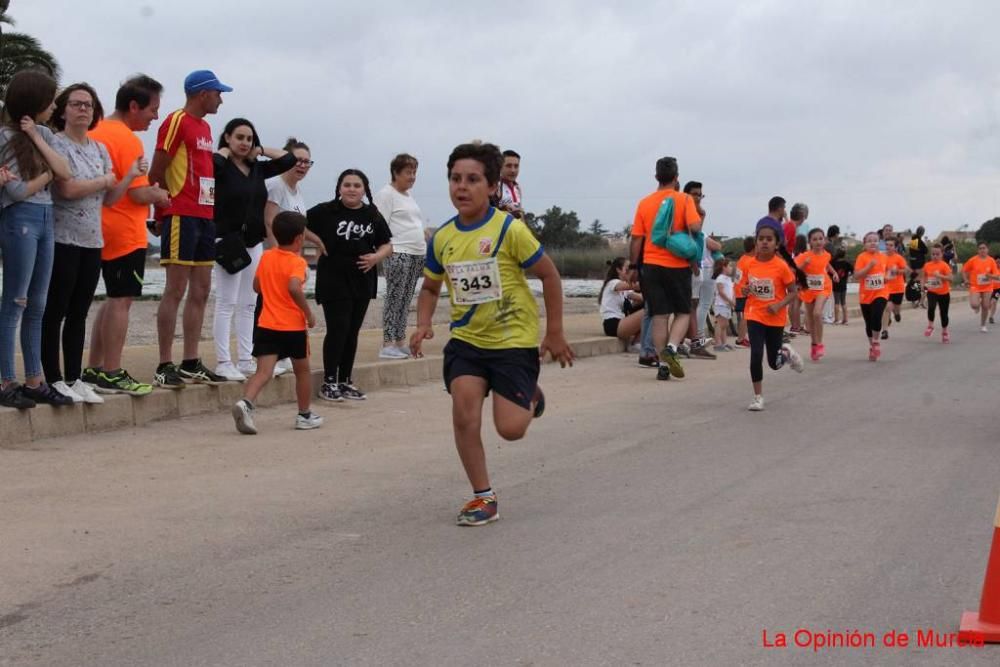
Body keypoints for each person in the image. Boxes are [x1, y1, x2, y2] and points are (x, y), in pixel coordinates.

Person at [410, 141, 573, 526]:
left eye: (472, 179)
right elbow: (431, 288)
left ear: (492, 187)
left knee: (511, 429)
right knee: (464, 413)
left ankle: (529, 395)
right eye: (455, 179)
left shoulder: (509, 230)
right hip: (468, 342)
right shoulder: (442, 238)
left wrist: (555, 332)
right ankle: (483, 497)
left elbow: (549, 275)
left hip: (513, 341)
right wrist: (422, 324)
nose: (461, 187)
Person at [42, 83, 142, 404]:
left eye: (88, 105)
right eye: (76, 104)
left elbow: (110, 198)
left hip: (92, 239)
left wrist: (126, 177)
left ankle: (75, 377)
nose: (83, 109)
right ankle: (54, 378)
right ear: (63, 110)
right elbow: (66, 190)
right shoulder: (56, 144)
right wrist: (102, 181)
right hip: (63, 238)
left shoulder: (98, 148)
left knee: (79, 312)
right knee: (56, 310)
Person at [84, 75, 167, 396]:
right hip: (124, 231)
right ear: (134, 106)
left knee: (110, 300)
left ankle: (95, 366)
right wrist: (160, 196)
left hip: (98, 229)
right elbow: (137, 194)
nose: (155, 116)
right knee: (122, 301)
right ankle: (112, 371)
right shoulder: (128, 140)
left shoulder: (96, 131)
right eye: (152, 109)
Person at [149, 70, 232, 388]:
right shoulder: (176, 120)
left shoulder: (206, 127)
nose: (221, 99)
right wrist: (160, 211)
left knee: (201, 290)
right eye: (217, 93)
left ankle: (190, 361)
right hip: (180, 214)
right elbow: (158, 168)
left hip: (204, 216)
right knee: (175, 289)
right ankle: (164, 363)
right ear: (202, 94)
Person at [0, 70, 74, 408]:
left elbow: (67, 171)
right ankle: (5, 380)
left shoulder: (42, 132)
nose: (55, 104)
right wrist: (47, 173)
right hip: (21, 219)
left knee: (38, 304)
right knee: (15, 301)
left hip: (45, 216)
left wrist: (38, 139)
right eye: (50, 98)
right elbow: (16, 191)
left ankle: (35, 379)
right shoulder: (4, 137)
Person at [210, 118, 295, 382]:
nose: (244, 143)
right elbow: (211, 166)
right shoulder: (221, 166)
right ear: (227, 138)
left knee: (249, 303)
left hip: (253, 242)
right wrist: (222, 152)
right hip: (227, 241)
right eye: (239, 137)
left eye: (249, 138)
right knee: (226, 302)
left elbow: (288, 160)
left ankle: (246, 359)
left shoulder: (257, 169)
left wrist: (261, 149)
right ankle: (224, 361)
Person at [231, 211, 322, 434]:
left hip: (267, 324)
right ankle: (304, 414)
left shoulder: (267, 256)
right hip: (292, 326)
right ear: (300, 238)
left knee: (263, 372)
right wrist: (308, 312)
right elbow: (293, 287)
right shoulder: (298, 263)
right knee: (302, 371)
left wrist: (272, 291)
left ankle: (246, 403)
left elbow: (256, 286)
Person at [307, 169, 393, 402]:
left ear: (364, 189)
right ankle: (329, 381)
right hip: (333, 277)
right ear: (339, 188)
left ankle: (345, 380)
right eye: (347, 185)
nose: (352, 189)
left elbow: (387, 244)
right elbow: (297, 224)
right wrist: (316, 241)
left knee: (353, 330)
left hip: (363, 278)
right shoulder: (325, 211)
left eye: (357, 185)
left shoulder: (372, 214)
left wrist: (376, 258)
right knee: (338, 328)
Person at [627, 156, 703, 381]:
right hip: (677, 265)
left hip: (651, 265)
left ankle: (662, 364)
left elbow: (636, 239)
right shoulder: (684, 200)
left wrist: (633, 265)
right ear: (677, 177)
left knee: (660, 315)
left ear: (656, 177)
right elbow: (694, 227)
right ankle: (671, 347)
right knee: (682, 312)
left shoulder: (645, 202)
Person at [263, 137, 324, 378]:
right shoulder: (276, 186)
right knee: (274, 308)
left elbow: (299, 226)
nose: (302, 166)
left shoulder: (297, 191)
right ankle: (269, 356)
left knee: (289, 308)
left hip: (293, 260)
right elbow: (270, 221)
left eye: (307, 162)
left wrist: (317, 240)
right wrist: (278, 255)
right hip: (279, 259)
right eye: (298, 160)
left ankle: (284, 353)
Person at [735, 218, 804, 412]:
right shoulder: (748, 264)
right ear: (756, 242)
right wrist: (746, 290)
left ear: (776, 244)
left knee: (773, 363)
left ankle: (786, 352)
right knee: (756, 354)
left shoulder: (781, 266)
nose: (765, 242)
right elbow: (743, 287)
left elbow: (793, 292)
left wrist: (779, 304)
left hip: (775, 317)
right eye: (761, 239)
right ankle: (758, 397)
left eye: (769, 239)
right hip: (755, 314)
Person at [374, 153, 426, 360]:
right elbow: (380, 225)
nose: (412, 176)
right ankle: (387, 344)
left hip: (416, 253)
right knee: (394, 298)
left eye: (414, 172)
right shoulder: (386, 194)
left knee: (405, 299)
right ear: (396, 173)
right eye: (408, 172)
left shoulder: (409, 196)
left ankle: (399, 341)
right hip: (398, 252)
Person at [683, 180, 721, 360]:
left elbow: (698, 236)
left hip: (696, 263)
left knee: (693, 304)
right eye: (694, 194)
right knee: (689, 304)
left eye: (700, 194)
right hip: (690, 263)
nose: (698, 197)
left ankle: (692, 341)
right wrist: (692, 263)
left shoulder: (698, 213)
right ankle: (693, 342)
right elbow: (691, 236)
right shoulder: (684, 211)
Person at [795, 228, 838, 361]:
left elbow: (826, 264)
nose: (818, 242)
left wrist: (834, 272)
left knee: (817, 313)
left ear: (824, 240)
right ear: (810, 242)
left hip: (823, 287)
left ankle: (819, 343)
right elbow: (794, 271)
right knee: (810, 317)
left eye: (821, 238)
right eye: (815, 239)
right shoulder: (804, 256)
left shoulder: (826, 254)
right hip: (808, 289)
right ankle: (814, 343)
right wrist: (804, 265)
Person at [853, 232, 890, 360]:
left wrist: (887, 277)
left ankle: (876, 341)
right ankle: (872, 346)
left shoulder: (884, 257)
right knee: (868, 323)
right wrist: (869, 267)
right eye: (869, 241)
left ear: (879, 243)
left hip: (881, 292)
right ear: (865, 243)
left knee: (877, 315)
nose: (873, 243)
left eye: (875, 240)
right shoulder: (861, 257)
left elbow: (889, 271)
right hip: (865, 295)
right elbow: (857, 276)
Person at [598, 257, 643, 343]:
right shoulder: (613, 283)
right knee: (649, 311)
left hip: (622, 322)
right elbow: (632, 286)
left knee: (652, 308)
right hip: (613, 324)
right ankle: (636, 344)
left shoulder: (627, 290)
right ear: (618, 270)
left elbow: (640, 297)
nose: (630, 272)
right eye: (627, 269)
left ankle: (641, 342)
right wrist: (650, 283)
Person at [961, 242, 1000, 332]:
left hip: (988, 287)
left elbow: (997, 276)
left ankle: (983, 325)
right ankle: (977, 306)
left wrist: (989, 276)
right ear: (978, 250)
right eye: (980, 248)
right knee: (974, 304)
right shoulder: (973, 260)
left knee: (986, 306)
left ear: (987, 250)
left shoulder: (991, 261)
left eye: (984, 248)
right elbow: (964, 270)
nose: (982, 250)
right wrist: (966, 280)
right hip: (975, 286)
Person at [921, 244, 953, 343]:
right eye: (933, 254)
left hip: (944, 293)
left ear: (942, 254)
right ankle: (930, 326)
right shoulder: (927, 265)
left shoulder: (944, 265)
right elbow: (923, 277)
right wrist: (922, 285)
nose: (935, 256)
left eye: (937, 254)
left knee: (943, 314)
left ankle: (945, 332)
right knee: (931, 307)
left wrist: (940, 276)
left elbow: (951, 278)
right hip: (932, 291)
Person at [880, 236, 907, 340]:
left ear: (895, 247)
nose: (888, 247)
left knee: (896, 308)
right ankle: (884, 331)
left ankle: (897, 313)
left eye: (891, 245)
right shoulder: (881, 257)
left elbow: (905, 270)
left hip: (898, 288)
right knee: (887, 308)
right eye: (887, 245)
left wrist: (897, 271)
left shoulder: (899, 258)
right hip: (885, 288)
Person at [733, 236, 755, 347]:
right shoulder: (751, 261)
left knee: (744, 316)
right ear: (753, 248)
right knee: (745, 317)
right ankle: (740, 339)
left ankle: (743, 337)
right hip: (744, 292)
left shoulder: (742, 259)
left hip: (738, 290)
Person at [712, 257, 735, 352]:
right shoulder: (720, 278)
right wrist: (730, 300)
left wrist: (733, 300)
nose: (731, 268)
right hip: (720, 305)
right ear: (723, 267)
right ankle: (718, 344)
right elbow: (721, 292)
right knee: (720, 324)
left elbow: (732, 290)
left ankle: (724, 343)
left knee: (725, 325)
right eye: (729, 266)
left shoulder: (729, 279)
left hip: (727, 305)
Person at [822, 224, 841, 323]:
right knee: (828, 295)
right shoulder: (829, 244)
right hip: (825, 271)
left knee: (828, 295)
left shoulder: (827, 242)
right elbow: (830, 260)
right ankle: (826, 316)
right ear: (835, 234)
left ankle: (827, 315)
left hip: (826, 270)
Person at [497, 149, 523, 219]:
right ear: (500, 167)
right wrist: (502, 208)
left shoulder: (517, 188)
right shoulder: (495, 187)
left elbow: (520, 214)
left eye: (516, 166)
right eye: (508, 166)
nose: (513, 170)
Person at [831, 248, 853, 325]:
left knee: (836, 301)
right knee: (843, 302)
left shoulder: (833, 262)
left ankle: (836, 319)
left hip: (835, 284)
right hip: (843, 284)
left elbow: (829, 272)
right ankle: (845, 319)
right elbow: (853, 271)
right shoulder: (846, 263)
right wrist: (848, 275)